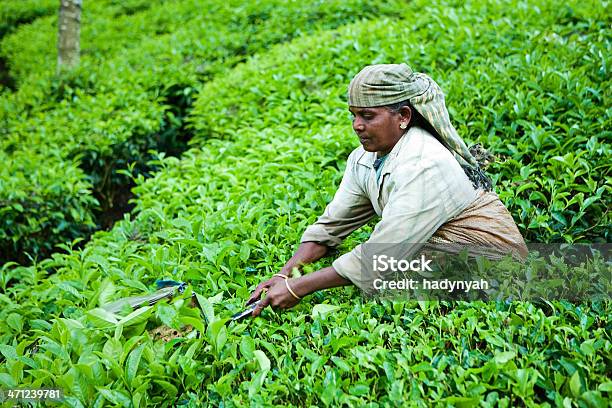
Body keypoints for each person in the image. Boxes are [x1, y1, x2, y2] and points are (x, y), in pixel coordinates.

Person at [246, 63, 527, 316]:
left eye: (368, 116)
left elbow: (382, 255)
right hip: (438, 255)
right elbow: (331, 227)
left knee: (386, 296)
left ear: (403, 116)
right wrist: (286, 274)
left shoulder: (424, 163)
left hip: (491, 268)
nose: (357, 125)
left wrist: (299, 288)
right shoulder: (364, 158)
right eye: (353, 115)